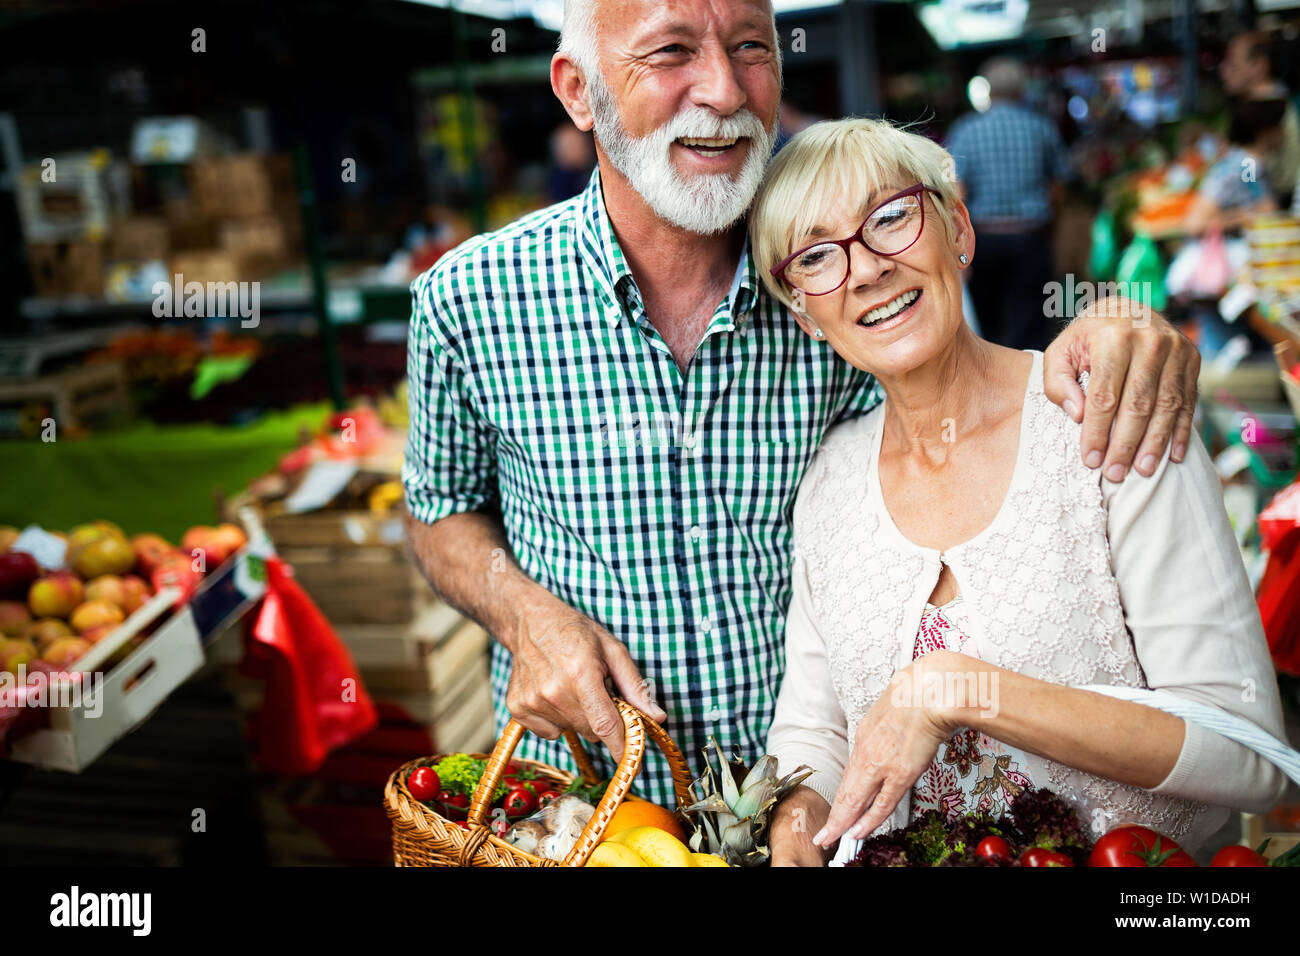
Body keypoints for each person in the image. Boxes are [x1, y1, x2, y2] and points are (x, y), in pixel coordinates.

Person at [402, 0, 1203, 810]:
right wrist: (522, 612)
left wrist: (1109, 321)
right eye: (672, 51)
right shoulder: (469, 301)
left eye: (751, 46)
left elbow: (970, 384)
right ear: (579, 91)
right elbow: (436, 511)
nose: (724, 89)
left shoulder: (825, 279)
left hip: (823, 808)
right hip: (581, 811)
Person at [751, 118, 1291, 865]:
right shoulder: (829, 482)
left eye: (891, 218)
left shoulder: (1107, 415)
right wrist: (796, 822)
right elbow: (814, 734)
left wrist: (954, 691)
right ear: (802, 311)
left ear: (960, 229)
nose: (867, 268)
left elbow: (1252, 756)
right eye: (816, 257)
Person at [944, 57, 1071, 352]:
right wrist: (1051, 227)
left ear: (988, 91)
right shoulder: (1041, 127)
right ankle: (1033, 387)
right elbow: (1059, 187)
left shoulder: (966, 129)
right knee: (1030, 321)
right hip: (1030, 237)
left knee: (988, 326)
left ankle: (995, 382)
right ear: (1021, 90)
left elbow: (956, 192)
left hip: (982, 241)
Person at [1220, 30, 1299, 207]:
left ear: (1259, 65)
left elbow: (1248, 168)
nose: (1224, 71)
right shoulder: (1264, 104)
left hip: (1278, 210)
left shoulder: (1268, 108)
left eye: (1233, 64)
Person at [1185, 97, 1285, 235]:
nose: (1284, 133)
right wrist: (1245, 215)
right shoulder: (1247, 165)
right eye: (1279, 126)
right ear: (1265, 132)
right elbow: (1195, 224)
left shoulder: (1239, 161)